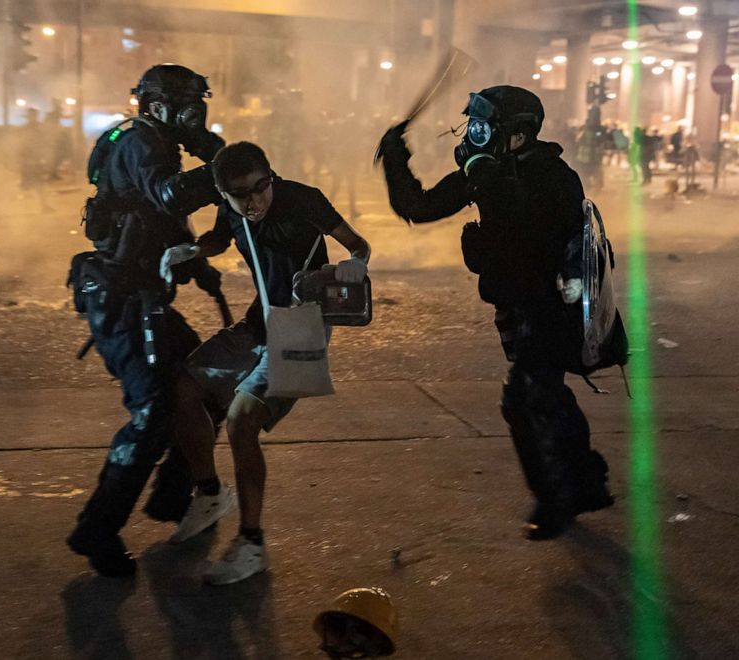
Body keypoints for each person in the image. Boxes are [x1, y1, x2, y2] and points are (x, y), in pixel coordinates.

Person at [377, 85, 614, 540]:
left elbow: (534, 228)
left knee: (522, 401)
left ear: (518, 136)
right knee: (549, 394)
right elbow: (419, 206)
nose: (475, 136)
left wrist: (486, 178)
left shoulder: (554, 176)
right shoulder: (486, 172)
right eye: (474, 127)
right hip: (514, 305)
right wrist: (394, 157)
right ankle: (588, 480)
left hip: (549, 308)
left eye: (485, 128)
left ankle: (554, 500)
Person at [168, 141, 371, 584]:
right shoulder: (233, 210)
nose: (254, 201)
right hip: (259, 322)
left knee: (242, 420)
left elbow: (358, 245)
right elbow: (222, 238)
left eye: (262, 187)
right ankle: (209, 494)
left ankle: (253, 543)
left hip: (302, 326)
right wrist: (194, 251)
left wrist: (354, 265)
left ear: (271, 177)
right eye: (240, 194)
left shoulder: (304, 200)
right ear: (223, 195)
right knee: (183, 387)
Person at [65, 64, 228, 577]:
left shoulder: (159, 143)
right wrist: (220, 159)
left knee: (207, 382)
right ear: (159, 106)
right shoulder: (141, 143)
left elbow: (164, 220)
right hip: (119, 299)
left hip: (145, 297)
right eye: (190, 106)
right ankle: (97, 530)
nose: (197, 115)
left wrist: (198, 267)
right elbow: (171, 196)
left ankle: (173, 496)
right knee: (153, 411)